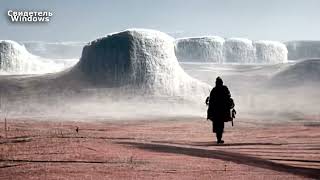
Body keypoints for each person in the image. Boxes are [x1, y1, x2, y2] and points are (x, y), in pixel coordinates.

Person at [206, 77, 234, 144]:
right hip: (222, 111)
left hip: (216, 111)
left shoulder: (214, 89)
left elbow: (211, 101)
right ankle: (219, 139)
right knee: (220, 125)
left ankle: (218, 139)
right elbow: (228, 96)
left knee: (217, 125)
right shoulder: (224, 88)